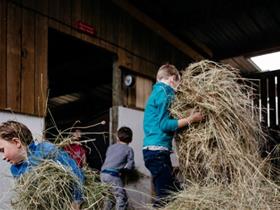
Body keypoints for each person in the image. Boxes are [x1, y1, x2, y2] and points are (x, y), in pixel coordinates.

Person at [143, 64, 204, 207]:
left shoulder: (156, 93)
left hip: (154, 152)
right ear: (172, 79)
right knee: (165, 197)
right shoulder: (166, 92)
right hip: (156, 152)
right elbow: (164, 124)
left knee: (174, 191)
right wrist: (191, 119)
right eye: (178, 83)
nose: (178, 88)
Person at [0, 120, 84, 210]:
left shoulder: (46, 150)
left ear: (17, 142)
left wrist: (76, 201)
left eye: (2, 150)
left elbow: (75, 172)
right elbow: (28, 195)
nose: (2, 157)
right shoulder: (15, 169)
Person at [101, 127, 134, 210]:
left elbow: (109, 159)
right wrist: (125, 172)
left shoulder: (111, 147)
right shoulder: (129, 149)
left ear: (117, 137)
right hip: (113, 175)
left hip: (103, 174)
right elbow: (130, 166)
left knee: (109, 198)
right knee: (121, 198)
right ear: (131, 139)